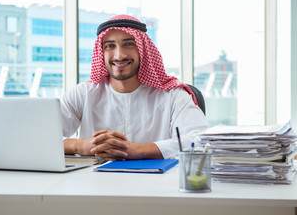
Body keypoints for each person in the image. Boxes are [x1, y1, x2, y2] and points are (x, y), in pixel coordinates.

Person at [61, 14, 209, 160]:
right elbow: (41, 137)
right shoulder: (83, 94)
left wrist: (141, 150)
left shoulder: (173, 94)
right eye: (110, 46)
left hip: (157, 182)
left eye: (128, 44)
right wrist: (81, 146)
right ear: (102, 52)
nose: (119, 55)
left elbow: (202, 140)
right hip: (93, 182)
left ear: (142, 48)